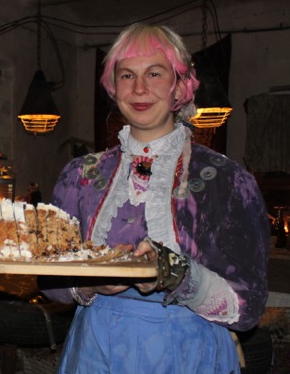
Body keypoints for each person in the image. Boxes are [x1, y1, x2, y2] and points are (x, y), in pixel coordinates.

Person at [40, 23, 270, 373]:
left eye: (154, 73)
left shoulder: (227, 180)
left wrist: (178, 275)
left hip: (189, 353)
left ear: (179, 85)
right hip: (94, 349)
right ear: (113, 86)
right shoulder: (80, 176)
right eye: (127, 75)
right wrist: (90, 282)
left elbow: (247, 308)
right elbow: (48, 281)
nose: (139, 88)